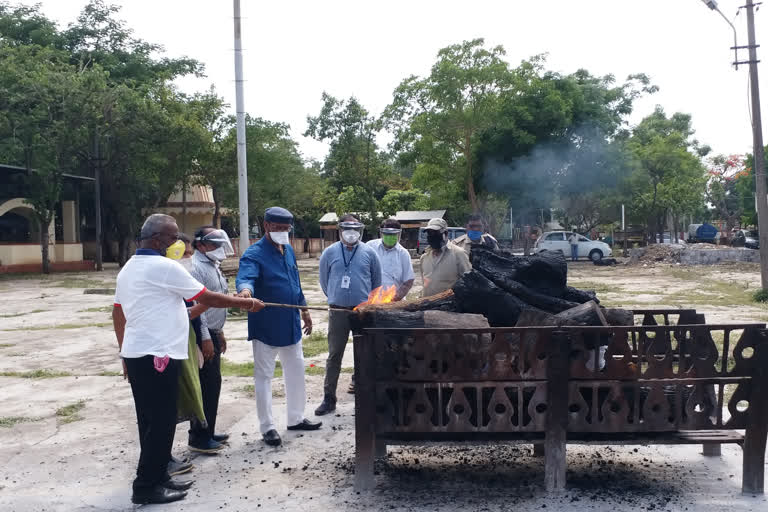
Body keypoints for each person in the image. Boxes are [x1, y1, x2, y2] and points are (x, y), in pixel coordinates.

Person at [112, 213, 265, 505]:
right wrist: (246, 303)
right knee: (161, 420)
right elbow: (208, 297)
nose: (179, 244)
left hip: (138, 353)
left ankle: (158, 477)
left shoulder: (129, 268)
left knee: (149, 419)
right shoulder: (164, 267)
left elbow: (119, 312)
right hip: (159, 355)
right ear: (157, 240)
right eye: (173, 238)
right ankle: (146, 486)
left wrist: (123, 351)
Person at [235, 207, 322, 447]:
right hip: (266, 326)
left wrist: (304, 311)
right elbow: (246, 277)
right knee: (263, 376)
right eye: (278, 228)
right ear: (266, 226)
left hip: (291, 324)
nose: (283, 232)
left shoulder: (288, 250)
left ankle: (295, 418)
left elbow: (295, 284)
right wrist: (245, 291)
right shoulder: (254, 254)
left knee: (296, 371)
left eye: (286, 229)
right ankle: (268, 427)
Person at [315, 214, 382, 414]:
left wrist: (368, 304)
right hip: (338, 311)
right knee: (335, 354)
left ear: (360, 230)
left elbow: (377, 284)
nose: (351, 233)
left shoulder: (370, 253)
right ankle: (329, 398)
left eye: (355, 228)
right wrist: (337, 297)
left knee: (365, 355)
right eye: (347, 228)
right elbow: (324, 281)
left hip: (363, 312)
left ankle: (367, 398)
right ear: (340, 230)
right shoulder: (329, 253)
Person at [187, 226, 236, 453]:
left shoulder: (212, 266)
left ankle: (208, 430)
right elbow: (199, 308)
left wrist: (220, 332)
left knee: (213, 385)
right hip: (201, 337)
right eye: (214, 244)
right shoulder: (196, 268)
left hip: (214, 333)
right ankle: (199, 438)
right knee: (206, 385)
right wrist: (206, 338)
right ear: (200, 245)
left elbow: (217, 305)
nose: (219, 249)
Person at [420, 218, 471, 297]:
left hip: (449, 306)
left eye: (435, 233)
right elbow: (424, 284)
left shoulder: (459, 254)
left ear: (445, 234)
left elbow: (469, 282)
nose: (432, 236)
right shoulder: (424, 257)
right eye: (429, 233)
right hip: (427, 305)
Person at [366, 218, 414, 301]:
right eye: (387, 234)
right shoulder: (370, 247)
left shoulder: (403, 254)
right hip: (371, 301)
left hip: (394, 303)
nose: (390, 237)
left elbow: (408, 281)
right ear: (381, 233)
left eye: (393, 234)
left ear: (399, 234)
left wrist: (393, 299)